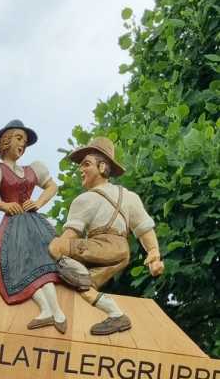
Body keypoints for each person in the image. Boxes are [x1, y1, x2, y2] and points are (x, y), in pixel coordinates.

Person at [47, 136, 163, 335]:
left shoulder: (84, 200)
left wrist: (54, 249)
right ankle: (116, 315)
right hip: (122, 252)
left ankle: (77, 276)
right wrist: (154, 253)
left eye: (86, 164)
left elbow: (70, 235)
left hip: (103, 246)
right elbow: (144, 229)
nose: (81, 170)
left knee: (55, 247)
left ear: (102, 167)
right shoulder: (130, 196)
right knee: (84, 287)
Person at [0, 120, 80, 334]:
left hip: (35, 225)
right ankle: (47, 310)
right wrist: (4, 205)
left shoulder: (33, 169)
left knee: (44, 263)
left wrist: (39, 202)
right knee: (21, 267)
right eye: (18, 138)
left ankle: (56, 311)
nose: (22, 144)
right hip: (13, 229)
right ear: (6, 141)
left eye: (24, 141)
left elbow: (52, 186)